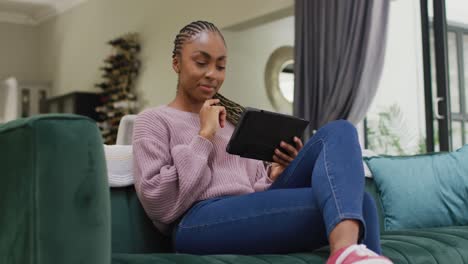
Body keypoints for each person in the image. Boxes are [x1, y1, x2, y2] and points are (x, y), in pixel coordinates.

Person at [132, 20, 393, 264]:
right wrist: (204, 136)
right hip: (196, 222)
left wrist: (276, 173)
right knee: (358, 205)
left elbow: (253, 188)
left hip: (245, 211)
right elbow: (159, 203)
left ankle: (345, 253)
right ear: (176, 63)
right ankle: (346, 254)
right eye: (201, 62)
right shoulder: (153, 121)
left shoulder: (233, 120)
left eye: (221, 66)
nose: (212, 74)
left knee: (340, 132)